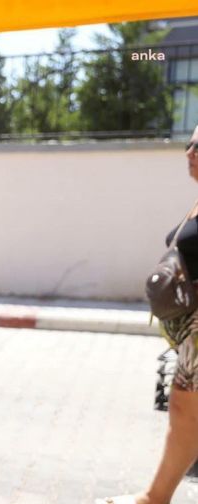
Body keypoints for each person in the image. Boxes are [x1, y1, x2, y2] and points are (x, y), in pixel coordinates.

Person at [98, 127, 198, 504]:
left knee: (186, 406)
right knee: (184, 406)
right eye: (188, 143)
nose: (189, 151)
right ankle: (155, 497)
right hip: (191, 331)